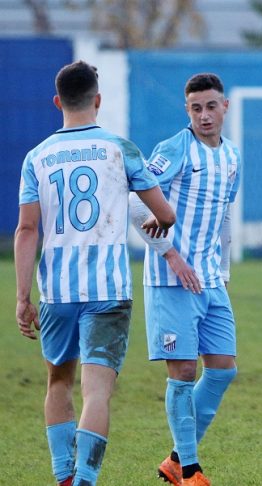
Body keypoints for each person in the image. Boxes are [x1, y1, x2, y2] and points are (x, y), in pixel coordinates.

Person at [14, 60, 175, 486]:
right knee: (97, 391)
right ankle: (85, 479)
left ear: (57, 102)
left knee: (58, 383)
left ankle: (63, 478)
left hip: (56, 292)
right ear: (97, 100)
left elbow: (27, 229)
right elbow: (164, 214)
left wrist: (23, 296)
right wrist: (163, 219)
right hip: (108, 290)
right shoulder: (121, 149)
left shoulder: (37, 157)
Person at [129, 72, 240, 486]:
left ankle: (176, 459)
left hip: (210, 280)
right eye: (196, 108)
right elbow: (136, 203)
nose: (204, 115)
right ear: (187, 110)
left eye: (211, 106)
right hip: (170, 279)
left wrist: (222, 271)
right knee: (182, 373)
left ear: (225, 106)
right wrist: (171, 255)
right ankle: (191, 471)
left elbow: (224, 216)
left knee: (223, 369)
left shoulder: (232, 156)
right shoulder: (174, 149)